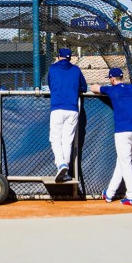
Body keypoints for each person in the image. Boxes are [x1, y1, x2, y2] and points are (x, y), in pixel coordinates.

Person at [89, 67, 132, 206]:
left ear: (112, 79)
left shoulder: (111, 89)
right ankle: (109, 193)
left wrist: (100, 87)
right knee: (122, 163)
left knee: (126, 164)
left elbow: (93, 88)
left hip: (122, 132)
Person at [47, 46, 87, 182]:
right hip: (73, 109)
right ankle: (65, 169)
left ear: (59, 57)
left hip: (57, 108)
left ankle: (61, 164)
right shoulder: (76, 69)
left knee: (55, 139)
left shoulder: (53, 68)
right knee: (67, 141)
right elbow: (84, 87)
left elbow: (50, 85)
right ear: (70, 58)